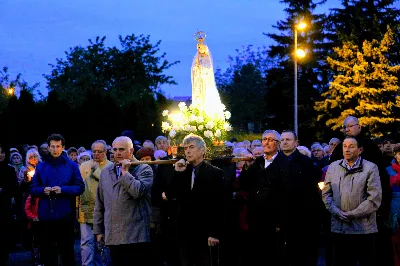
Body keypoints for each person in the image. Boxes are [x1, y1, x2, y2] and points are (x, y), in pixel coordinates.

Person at [93, 136, 153, 266]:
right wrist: (98, 230)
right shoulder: (105, 172)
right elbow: (100, 203)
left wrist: (125, 172)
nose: (117, 153)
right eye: (115, 150)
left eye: (121, 149)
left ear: (131, 151)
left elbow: (137, 191)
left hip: (135, 235)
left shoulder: (144, 169)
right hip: (113, 234)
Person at [322, 137, 382, 266]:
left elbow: (374, 199)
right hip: (339, 227)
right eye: (344, 146)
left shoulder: (370, 168)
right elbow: (326, 194)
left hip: (363, 229)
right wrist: (336, 211)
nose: (347, 150)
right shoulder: (333, 167)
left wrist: (353, 214)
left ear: (360, 150)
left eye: (351, 146)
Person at [167, 134, 224, 266]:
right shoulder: (183, 171)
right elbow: (171, 195)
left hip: (204, 233)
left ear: (202, 150)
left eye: (191, 147)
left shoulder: (215, 173)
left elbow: (219, 206)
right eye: (185, 148)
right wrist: (177, 173)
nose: (187, 151)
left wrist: (214, 233)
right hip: (184, 232)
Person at [30, 133, 85, 266]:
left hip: (64, 214)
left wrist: (63, 189)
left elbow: (80, 187)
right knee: (47, 253)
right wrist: (43, 190)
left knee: (67, 251)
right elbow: (33, 188)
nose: (55, 149)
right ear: (48, 148)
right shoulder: (41, 166)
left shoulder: (71, 166)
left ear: (63, 147)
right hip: (46, 214)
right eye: (52, 146)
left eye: (58, 146)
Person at [78, 140, 112, 266]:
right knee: (86, 243)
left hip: (104, 210)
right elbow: (79, 187)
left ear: (106, 152)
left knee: (102, 243)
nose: (96, 154)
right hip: (86, 209)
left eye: (100, 151)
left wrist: (97, 171)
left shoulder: (110, 166)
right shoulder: (84, 166)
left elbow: (109, 186)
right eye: (94, 151)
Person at [0, 144, 18, 265]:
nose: (0, 155)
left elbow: (14, 188)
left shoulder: (9, 169)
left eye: (2, 152)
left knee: (4, 236)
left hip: (4, 207)